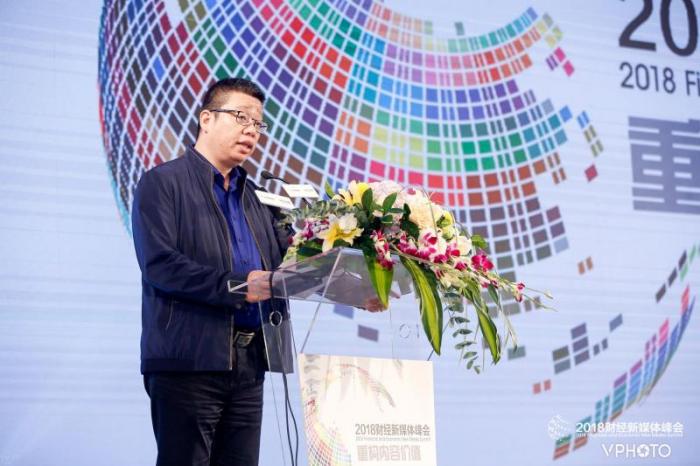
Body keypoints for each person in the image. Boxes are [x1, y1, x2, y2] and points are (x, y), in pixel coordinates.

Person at [131, 77, 291, 466]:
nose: (251, 130)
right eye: (241, 117)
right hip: (189, 361)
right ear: (207, 119)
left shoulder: (261, 198)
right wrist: (239, 286)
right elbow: (160, 264)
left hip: (251, 362)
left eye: (258, 123)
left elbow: (289, 265)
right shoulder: (162, 183)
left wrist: (352, 279)